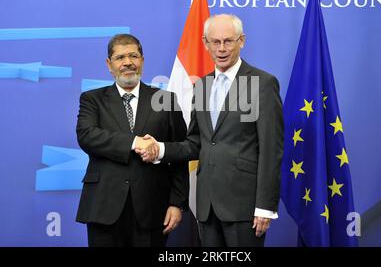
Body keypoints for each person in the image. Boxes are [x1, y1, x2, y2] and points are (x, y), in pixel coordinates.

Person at [137, 14, 284, 247]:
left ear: (242, 41)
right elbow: (197, 142)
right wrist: (160, 149)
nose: (222, 48)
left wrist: (265, 206)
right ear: (205, 43)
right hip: (207, 206)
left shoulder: (262, 83)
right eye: (215, 42)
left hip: (244, 207)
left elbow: (271, 149)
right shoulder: (202, 85)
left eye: (228, 41)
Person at [75, 34, 188, 247]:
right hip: (104, 208)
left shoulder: (165, 100)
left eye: (133, 56)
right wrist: (135, 143)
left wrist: (177, 203)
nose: (127, 62)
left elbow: (181, 152)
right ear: (109, 64)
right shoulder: (92, 99)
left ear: (142, 60)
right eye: (120, 57)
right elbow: (87, 135)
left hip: (153, 209)